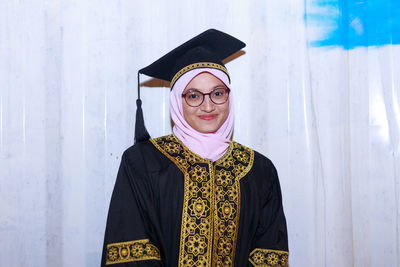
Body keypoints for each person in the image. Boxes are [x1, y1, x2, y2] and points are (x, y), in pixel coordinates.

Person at [101, 29, 289, 266]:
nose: (208, 106)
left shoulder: (258, 170)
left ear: (229, 97)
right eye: (193, 96)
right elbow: (132, 251)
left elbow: (269, 254)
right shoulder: (142, 163)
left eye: (218, 93)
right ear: (177, 101)